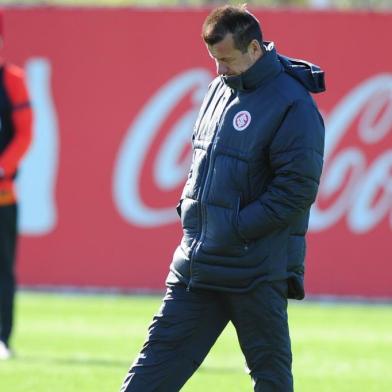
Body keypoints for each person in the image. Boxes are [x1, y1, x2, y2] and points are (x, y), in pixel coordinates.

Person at [119, 5, 325, 391]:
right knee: (149, 372)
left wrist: (234, 229)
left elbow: (296, 190)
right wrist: (192, 214)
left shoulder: (293, 104)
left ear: (254, 49)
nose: (220, 70)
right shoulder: (218, 89)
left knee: (271, 380)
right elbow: (201, 163)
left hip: (255, 272)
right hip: (198, 267)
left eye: (227, 60)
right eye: (214, 60)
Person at [0, 10, 33, 360]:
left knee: (2, 268)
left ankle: (2, 337)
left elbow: (25, 133)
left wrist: (2, 166)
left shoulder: (12, 79)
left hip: (2, 193)